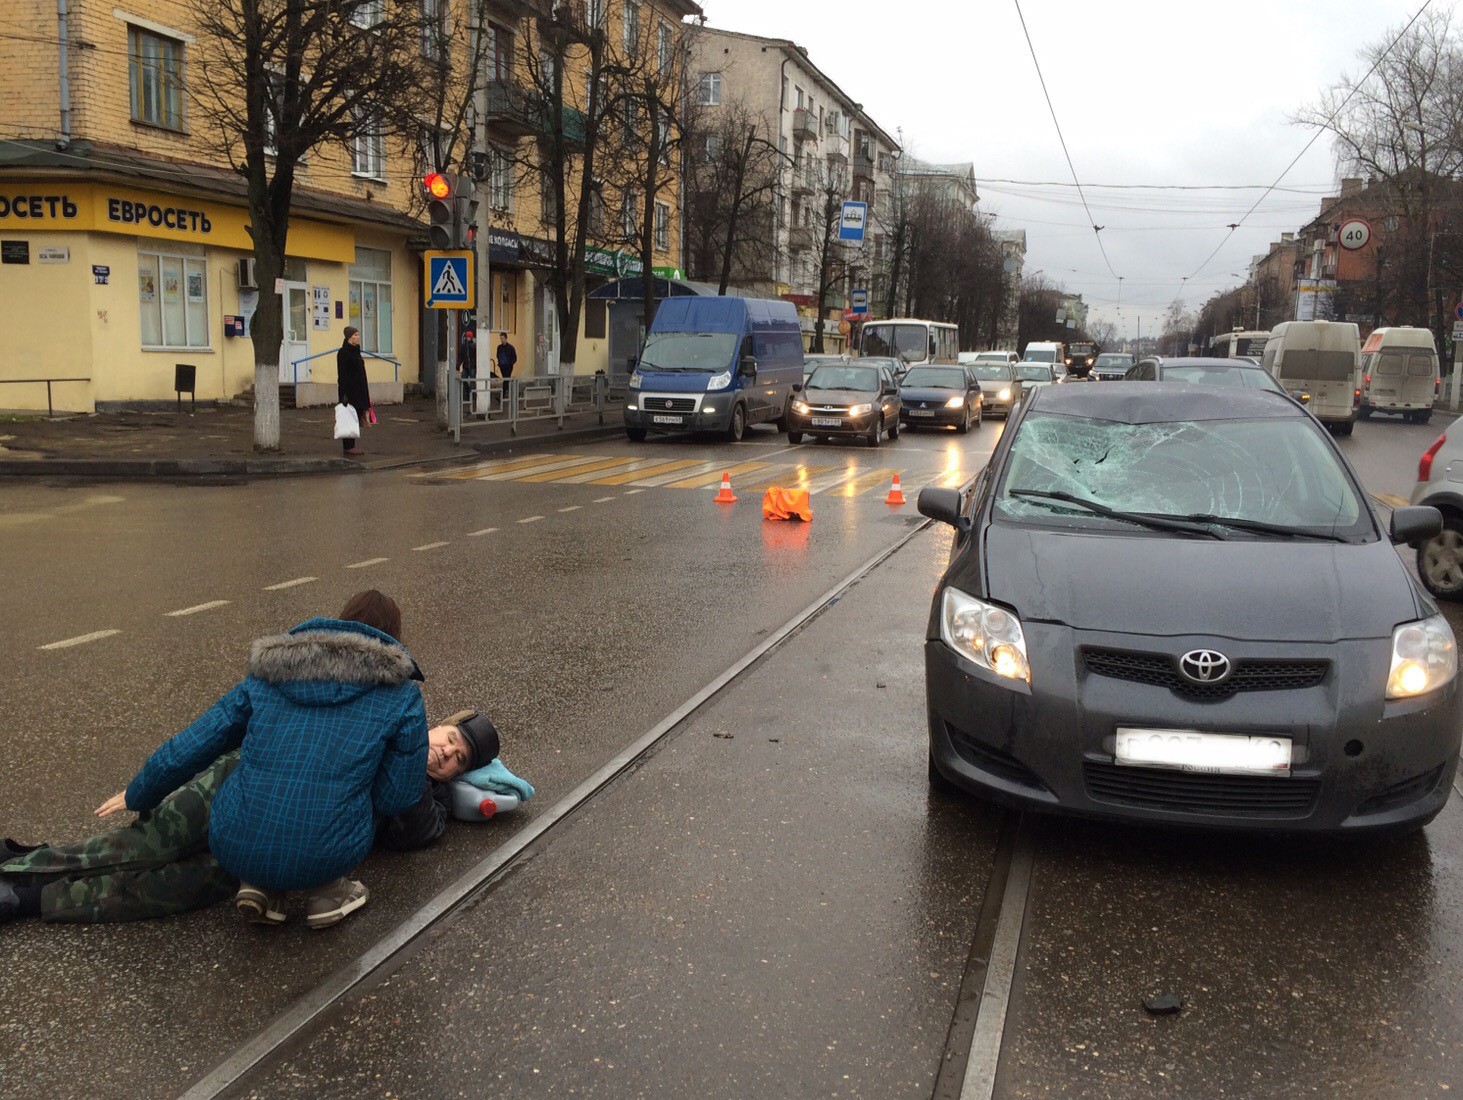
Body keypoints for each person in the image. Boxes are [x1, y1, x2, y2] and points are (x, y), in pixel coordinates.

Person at [96, 591, 425, 930]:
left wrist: (139, 792)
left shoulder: (270, 675)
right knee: (339, 810)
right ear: (392, 638)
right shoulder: (401, 697)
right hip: (329, 852)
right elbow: (396, 797)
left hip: (232, 840)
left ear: (340, 623)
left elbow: (198, 739)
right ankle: (329, 893)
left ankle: (260, 886)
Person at [0, 710, 498, 926]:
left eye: (457, 760)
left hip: (275, 845)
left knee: (170, 889)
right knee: (148, 842)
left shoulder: (428, 808)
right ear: (441, 724)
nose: (445, 755)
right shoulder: (390, 717)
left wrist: (411, 758)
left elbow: (411, 828)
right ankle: (23, 861)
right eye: (449, 740)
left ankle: (26, 898)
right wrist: (148, 785)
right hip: (245, 782)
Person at [337, 327, 371, 457]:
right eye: (356, 335)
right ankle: (348, 446)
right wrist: (344, 394)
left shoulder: (356, 351)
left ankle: (352, 444)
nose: (358, 337)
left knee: (356, 415)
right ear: (349, 337)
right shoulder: (343, 352)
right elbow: (343, 375)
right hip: (350, 392)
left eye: (358, 334)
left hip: (360, 390)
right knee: (349, 417)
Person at [459, 320, 478, 409]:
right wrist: (458, 364)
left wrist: (476, 364)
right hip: (466, 366)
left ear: (471, 337)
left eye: (469, 337)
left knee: (473, 381)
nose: (467, 338)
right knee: (463, 380)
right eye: (467, 337)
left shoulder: (474, 346)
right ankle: (468, 392)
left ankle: (473, 395)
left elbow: (476, 356)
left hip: (472, 366)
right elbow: (461, 356)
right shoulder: (463, 346)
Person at [495, 331, 518, 403]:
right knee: (506, 380)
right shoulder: (499, 347)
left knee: (506, 380)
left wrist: (510, 363)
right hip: (502, 366)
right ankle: (507, 394)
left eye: (502, 338)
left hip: (508, 366)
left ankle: (503, 395)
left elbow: (514, 357)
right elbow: (497, 356)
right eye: (500, 338)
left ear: (506, 338)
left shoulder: (510, 347)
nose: (501, 340)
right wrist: (500, 363)